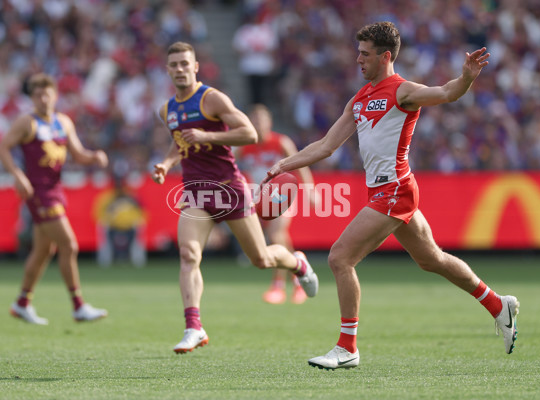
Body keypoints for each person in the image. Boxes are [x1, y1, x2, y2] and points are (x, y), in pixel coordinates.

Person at [262, 22, 519, 370]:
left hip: (394, 189)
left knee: (339, 258)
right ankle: (497, 305)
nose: (357, 59)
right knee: (432, 260)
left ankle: (347, 347)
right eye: (358, 52)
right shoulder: (360, 98)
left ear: (385, 56)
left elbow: (446, 92)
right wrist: (284, 163)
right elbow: (326, 145)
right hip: (389, 190)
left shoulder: (403, 91)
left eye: (365, 54)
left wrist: (467, 79)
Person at [152, 42, 318, 353]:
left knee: (262, 259)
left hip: (230, 189)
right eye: (174, 64)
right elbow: (179, 143)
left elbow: (249, 133)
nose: (180, 69)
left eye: (185, 64)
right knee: (188, 254)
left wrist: (209, 136)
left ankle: (297, 263)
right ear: (168, 69)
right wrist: (166, 163)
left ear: (195, 66)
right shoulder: (167, 110)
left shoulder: (211, 98)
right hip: (195, 193)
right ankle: (194, 327)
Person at [0, 73, 109, 325]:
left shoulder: (63, 122)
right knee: (70, 245)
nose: (43, 98)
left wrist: (94, 157)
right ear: (32, 98)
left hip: (56, 190)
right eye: (37, 94)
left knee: (43, 251)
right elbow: (2, 148)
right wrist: (18, 176)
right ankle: (78, 305)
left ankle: (22, 303)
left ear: (55, 95)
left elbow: (78, 154)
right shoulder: (27, 123)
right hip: (38, 193)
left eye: (47, 93)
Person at [237, 104, 315, 305]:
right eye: (254, 120)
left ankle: (277, 286)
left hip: (282, 193)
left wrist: (310, 189)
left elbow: (301, 163)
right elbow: (230, 165)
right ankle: (298, 270)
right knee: (276, 238)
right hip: (258, 198)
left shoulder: (281, 142)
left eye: (261, 120)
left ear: (269, 122)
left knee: (276, 234)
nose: (257, 124)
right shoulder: (245, 146)